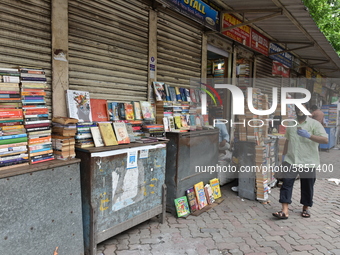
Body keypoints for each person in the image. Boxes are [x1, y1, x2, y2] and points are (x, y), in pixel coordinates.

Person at [273, 104, 328, 220]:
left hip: (308, 160)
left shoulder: (314, 124)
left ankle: (305, 208)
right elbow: (287, 140)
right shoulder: (291, 124)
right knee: (286, 184)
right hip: (291, 160)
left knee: (307, 186)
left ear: (308, 110)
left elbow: (325, 139)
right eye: (297, 109)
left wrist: (309, 136)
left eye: (302, 109)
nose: (300, 111)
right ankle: (284, 210)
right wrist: (283, 158)